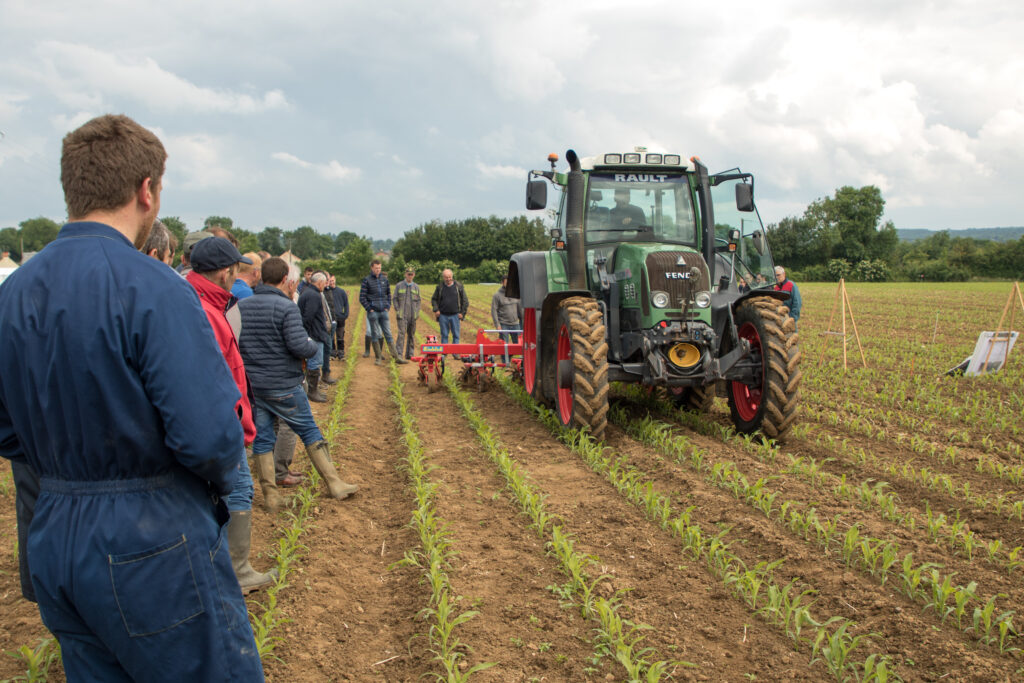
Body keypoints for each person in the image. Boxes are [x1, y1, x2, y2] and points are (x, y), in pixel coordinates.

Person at [0, 114, 263, 680]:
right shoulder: (153, 287)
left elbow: (5, 428)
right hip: (150, 536)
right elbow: (210, 436)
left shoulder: (14, 290)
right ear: (147, 191)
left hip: (53, 535)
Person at [186, 237, 275, 594]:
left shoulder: (199, 301)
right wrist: (237, 419)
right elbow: (212, 375)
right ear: (225, 273)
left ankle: (224, 567)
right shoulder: (205, 311)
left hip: (220, 418)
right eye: (236, 268)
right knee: (237, 491)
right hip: (222, 423)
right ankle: (235, 570)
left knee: (224, 494)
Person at [238, 257, 358, 506]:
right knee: (309, 430)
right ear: (285, 280)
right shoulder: (286, 308)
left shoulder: (243, 306)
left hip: (255, 386)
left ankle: (271, 496)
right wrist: (313, 345)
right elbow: (298, 346)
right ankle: (334, 483)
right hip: (284, 384)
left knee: (262, 439)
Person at [360, 259, 406, 365]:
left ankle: (396, 357)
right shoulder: (366, 280)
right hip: (373, 312)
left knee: (388, 334)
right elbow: (362, 297)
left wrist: (387, 306)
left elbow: (389, 294)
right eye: (376, 268)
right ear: (372, 268)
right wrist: (369, 308)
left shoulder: (384, 280)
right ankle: (378, 358)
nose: (378, 270)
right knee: (375, 334)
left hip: (384, 311)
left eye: (379, 268)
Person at [298, 272, 333, 401]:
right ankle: (312, 392)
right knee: (314, 363)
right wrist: (308, 335)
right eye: (324, 283)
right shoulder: (314, 295)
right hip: (315, 334)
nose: (325, 286)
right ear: (319, 283)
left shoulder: (307, 292)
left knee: (314, 363)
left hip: (313, 333)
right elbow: (308, 317)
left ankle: (313, 390)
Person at [431, 268, 468, 344]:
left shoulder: (458, 287)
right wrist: (436, 310)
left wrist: (462, 313)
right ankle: (444, 354)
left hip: (455, 315)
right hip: (443, 315)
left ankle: (455, 353)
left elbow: (465, 301)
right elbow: (434, 299)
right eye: (446, 277)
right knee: (444, 335)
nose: (448, 279)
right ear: (443, 277)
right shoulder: (440, 287)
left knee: (456, 335)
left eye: (449, 277)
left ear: (452, 276)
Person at [394, 266, 421, 359]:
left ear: (414, 275)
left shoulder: (416, 287)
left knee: (411, 335)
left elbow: (418, 301)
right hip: (402, 315)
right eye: (408, 274)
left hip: (412, 315)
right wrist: (398, 310)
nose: (410, 276)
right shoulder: (399, 285)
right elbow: (395, 299)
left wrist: (417, 313)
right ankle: (399, 353)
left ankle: (410, 354)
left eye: (411, 274)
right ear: (405, 274)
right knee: (401, 333)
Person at [491, 275, 520, 342]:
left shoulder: (515, 293)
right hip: (503, 324)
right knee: (504, 346)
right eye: (507, 283)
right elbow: (494, 310)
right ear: (502, 283)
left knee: (519, 345)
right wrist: (497, 325)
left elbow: (519, 308)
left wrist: (522, 321)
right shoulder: (497, 295)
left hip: (515, 324)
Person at [328, 274, 349, 359]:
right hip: (331, 318)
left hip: (340, 318)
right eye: (330, 281)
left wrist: (345, 315)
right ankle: (332, 353)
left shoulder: (341, 291)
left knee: (340, 336)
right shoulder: (326, 292)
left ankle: (341, 353)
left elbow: (346, 304)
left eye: (333, 280)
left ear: (335, 280)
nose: (331, 282)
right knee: (331, 337)